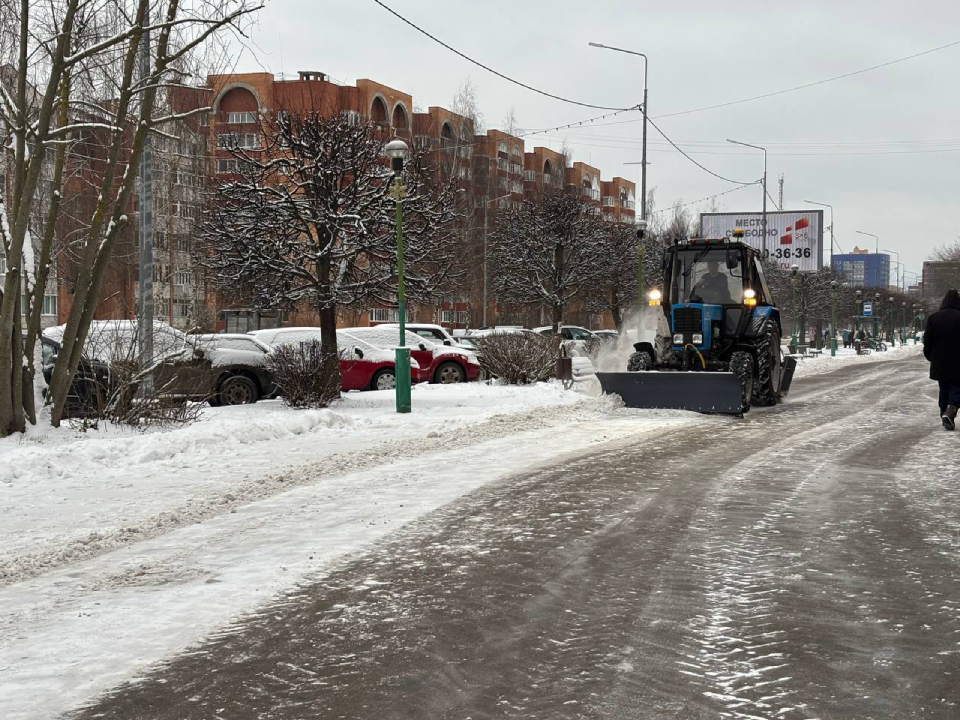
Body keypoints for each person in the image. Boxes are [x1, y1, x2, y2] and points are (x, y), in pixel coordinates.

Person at [923, 289, 960, 431]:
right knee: (957, 386)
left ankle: (944, 412)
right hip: (958, 361)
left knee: (943, 387)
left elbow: (928, 341)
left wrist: (931, 357)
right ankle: (950, 410)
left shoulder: (934, 318)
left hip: (940, 361)